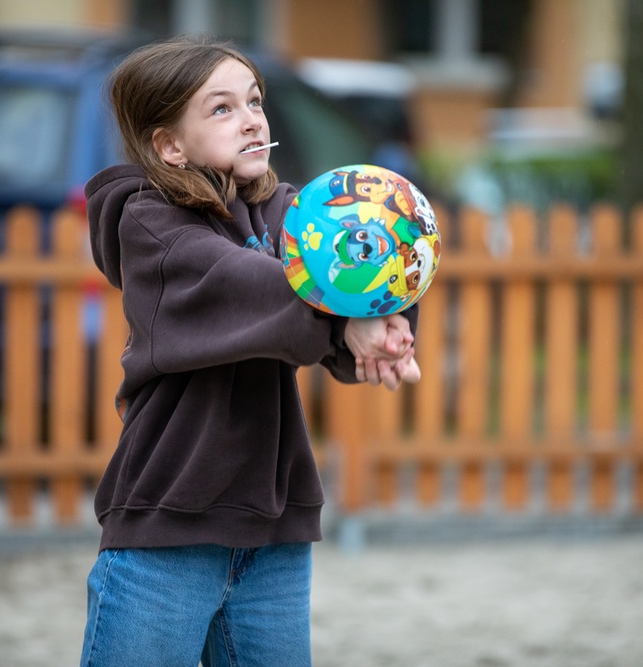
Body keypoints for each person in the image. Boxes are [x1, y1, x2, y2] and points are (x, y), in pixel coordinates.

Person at [80, 35, 421, 667]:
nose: (252, 118)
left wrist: (387, 316)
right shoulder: (148, 224)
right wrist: (343, 324)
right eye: (221, 108)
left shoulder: (280, 213)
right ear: (169, 145)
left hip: (274, 530)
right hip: (170, 526)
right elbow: (240, 283)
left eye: (255, 100)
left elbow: (343, 258)